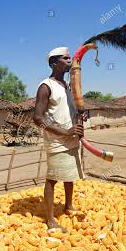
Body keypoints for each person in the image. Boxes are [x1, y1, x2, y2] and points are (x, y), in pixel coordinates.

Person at [33, 47, 84, 232]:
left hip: (71, 138)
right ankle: (50, 219)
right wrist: (64, 132)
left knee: (70, 176)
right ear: (54, 63)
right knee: (52, 179)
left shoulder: (67, 86)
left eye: (70, 58)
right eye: (65, 58)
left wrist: (78, 125)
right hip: (56, 140)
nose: (70, 61)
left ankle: (68, 206)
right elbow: (38, 118)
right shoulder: (46, 86)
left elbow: (69, 111)